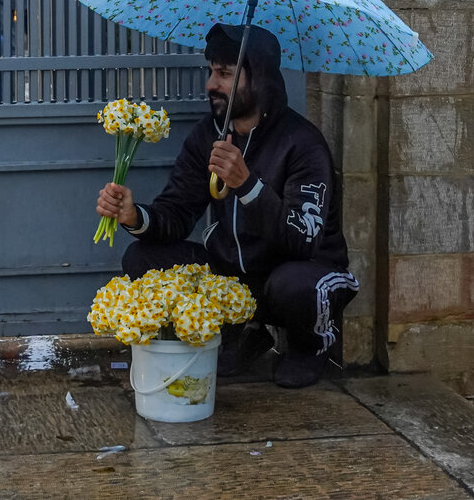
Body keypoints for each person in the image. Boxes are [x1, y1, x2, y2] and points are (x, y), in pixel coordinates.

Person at [94, 24, 358, 389]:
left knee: (294, 284)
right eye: (210, 72)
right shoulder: (209, 135)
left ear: (259, 77)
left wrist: (247, 185)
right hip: (233, 274)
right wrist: (135, 216)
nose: (211, 84)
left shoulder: (302, 143)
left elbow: (304, 241)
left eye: (225, 74)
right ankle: (240, 332)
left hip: (299, 274)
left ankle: (307, 346)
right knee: (142, 258)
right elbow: (177, 212)